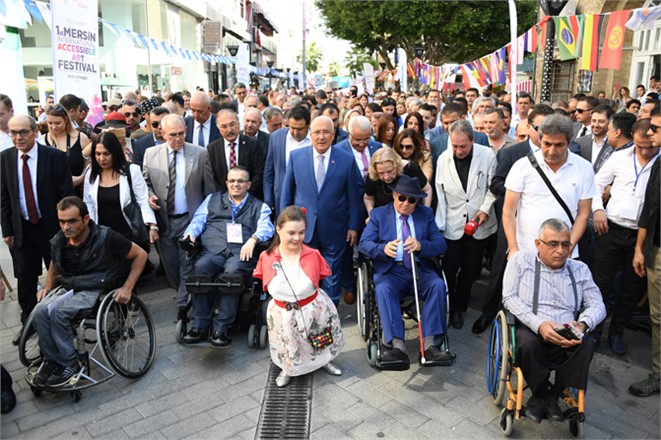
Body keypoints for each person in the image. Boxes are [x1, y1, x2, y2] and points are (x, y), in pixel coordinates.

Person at [30, 196, 148, 387]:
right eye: (62, 221)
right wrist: (48, 288)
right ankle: (52, 359)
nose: (66, 227)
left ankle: (69, 363)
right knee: (39, 312)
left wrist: (127, 287)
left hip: (96, 286)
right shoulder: (60, 239)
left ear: (85, 219)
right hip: (69, 286)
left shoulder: (106, 237)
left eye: (72, 221)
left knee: (60, 314)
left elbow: (140, 254)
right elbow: (54, 263)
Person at [502, 218, 606, 423]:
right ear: (538, 244)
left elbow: (598, 305)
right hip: (532, 327)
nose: (560, 250)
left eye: (565, 244)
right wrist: (539, 325)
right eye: (553, 244)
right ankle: (544, 394)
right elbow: (509, 297)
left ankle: (551, 394)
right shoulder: (521, 261)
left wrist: (582, 324)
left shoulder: (580, 269)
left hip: (566, 330)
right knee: (525, 342)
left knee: (586, 344)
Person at [359, 175, 452, 368]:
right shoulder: (378, 215)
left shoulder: (425, 214)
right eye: (402, 198)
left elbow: (440, 244)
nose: (406, 204)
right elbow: (364, 244)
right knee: (383, 289)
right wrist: (383, 249)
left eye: (412, 200)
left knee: (437, 285)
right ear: (394, 195)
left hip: (419, 269)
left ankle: (429, 346)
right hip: (392, 270)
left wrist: (421, 245)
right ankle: (397, 346)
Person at [1, 115, 74, 344]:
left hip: (52, 227)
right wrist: (7, 230)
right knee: (25, 278)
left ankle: (64, 320)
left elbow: (67, 194)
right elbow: (4, 197)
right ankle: (29, 325)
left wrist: (67, 228)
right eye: (13, 133)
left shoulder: (54, 158)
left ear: (35, 132)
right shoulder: (5, 159)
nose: (18, 137)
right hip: (23, 229)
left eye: (23, 132)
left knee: (61, 274)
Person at [182, 166, 274, 346]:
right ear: (226, 183)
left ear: (248, 184)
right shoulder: (212, 199)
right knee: (200, 269)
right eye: (232, 181)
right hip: (213, 251)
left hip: (240, 253)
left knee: (232, 274)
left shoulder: (259, 206)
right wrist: (190, 235)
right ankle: (199, 324)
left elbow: (267, 228)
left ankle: (221, 327)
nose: (236, 184)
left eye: (240, 181)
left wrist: (254, 239)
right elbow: (198, 221)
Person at [253, 206, 344, 387]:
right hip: (282, 311)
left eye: (301, 233)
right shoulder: (267, 256)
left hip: (312, 306)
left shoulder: (313, 254)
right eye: (291, 233)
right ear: (278, 229)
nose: (297, 238)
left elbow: (322, 276)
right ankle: (288, 369)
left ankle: (324, 361)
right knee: (286, 342)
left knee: (320, 337)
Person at [591, 117, 659, 356]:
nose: (645, 151)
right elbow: (596, 185)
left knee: (630, 289)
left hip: (642, 237)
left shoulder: (659, 162)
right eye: (639, 146)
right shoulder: (619, 158)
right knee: (601, 284)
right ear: (632, 138)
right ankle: (595, 329)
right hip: (610, 230)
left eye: (650, 147)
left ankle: (617, 332)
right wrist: (598, 210)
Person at [280, 116, 362, 305]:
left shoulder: (346, 160)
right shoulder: (296, 157)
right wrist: (284, 226)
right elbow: (287, 194)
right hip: (303, 229)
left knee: (332, 274)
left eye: (326, 132)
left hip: (335, 228)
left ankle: (329, 313)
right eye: (317, 132)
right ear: (311, 134)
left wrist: (353, 226)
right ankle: (308, 310)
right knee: (306, 272)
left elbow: (354, 197)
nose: (321, 137)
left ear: (333, 135)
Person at [143, 114, 213, 315]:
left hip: (189, 220)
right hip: (164, 221)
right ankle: (182, 295)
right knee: (171, 266)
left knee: (186, 265)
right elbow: (145, 184)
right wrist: (150, 196)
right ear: (162, 134)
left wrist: (205, 220)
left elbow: (208, 189)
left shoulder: (199, 153)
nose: (178, 139)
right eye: (173, 135)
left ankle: (183, 305)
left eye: (182, 134)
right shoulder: (151, 154)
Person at [503, 114, 595, 261]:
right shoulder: (522, 166)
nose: (552, 151)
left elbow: (583, 214)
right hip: (525, 251)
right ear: (540, 140)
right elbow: (508, 211)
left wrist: (568, 248)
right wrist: (513, 247)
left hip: (564, 255)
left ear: (569, 142)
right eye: (547, 144)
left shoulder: (584, 168)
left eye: (559, 145)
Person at [435, 119, 497, 329]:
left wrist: (485, 209)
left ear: (472, 140)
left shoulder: (487, 155)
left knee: (470, 270)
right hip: (452, 224)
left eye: (463, 146)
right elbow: (440, 193)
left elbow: (492, 187)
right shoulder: (444, 159)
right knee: (450, 268)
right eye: (455, 146)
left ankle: (461, 306)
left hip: (478, 223)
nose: (459, 150)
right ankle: (450, 307)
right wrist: (440, 224)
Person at [630, 106, 661, 396]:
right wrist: (640, 249)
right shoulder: (658, 165)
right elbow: (649, 210)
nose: (650, 133)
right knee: (658, 316)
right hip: (656, 250)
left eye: (657, 128)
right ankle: (658, 373)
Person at [83, 132, 158, 245]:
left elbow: (142, 199)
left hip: (129, 233)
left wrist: (152, 226)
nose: (101, 158)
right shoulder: (91, 172)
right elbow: (88, 203)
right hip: (102, 236)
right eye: (97, 154)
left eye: (106, 154)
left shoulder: (132, 170)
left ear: (115, 153)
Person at [206, 109, 265, 200]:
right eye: (224, 126)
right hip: (223, 201)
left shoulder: (253, 145)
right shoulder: (212, 149)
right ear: (218, 128)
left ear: (239, 124)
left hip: (251, 199)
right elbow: (213, 179)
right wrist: (228, 198)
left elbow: (259, 173)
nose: (229, 130)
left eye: (232, 124)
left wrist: (245, 196)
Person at [263, 106, 311, 216]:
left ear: (308, 126)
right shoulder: (276, 137)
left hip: (307, 200)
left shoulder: (315, 141)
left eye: (299, 129)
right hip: (281, 199)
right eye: (292, 127)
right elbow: (269, 172)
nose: (295, 132)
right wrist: (269, 200)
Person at [364, 147, 431, 213]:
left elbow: (427, 189)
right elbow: (368, 198)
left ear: (397, 165)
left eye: (390, 171)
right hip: (384, 216)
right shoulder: (372, 176)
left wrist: (426, 212)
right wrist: (371, 215)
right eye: (381, 173)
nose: (386, 177)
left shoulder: (410, 168)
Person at [44, 104, 90, 190]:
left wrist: (81, 178)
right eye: (50, 123)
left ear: (66, 119)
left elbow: (90, 164)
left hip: (76, 192)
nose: (53, 127)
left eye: (57, 123)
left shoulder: (81, 138)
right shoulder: (43, 140)